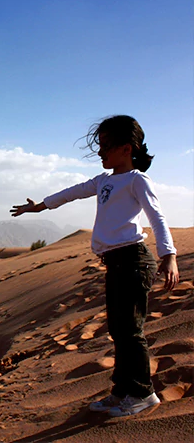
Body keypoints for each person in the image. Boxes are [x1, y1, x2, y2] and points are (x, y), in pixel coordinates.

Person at [10, 115, 179, 417]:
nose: (100, 152)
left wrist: (169, 255)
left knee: (130, 331)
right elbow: (72, 192)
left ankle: (143, 393)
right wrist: (40, 206)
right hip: (115, 263)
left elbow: (157, 217)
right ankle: (122, 391)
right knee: (118, 329)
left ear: (127, 148)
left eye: (105, 146)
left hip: (133, 260)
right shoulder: (103, 181)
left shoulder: (136, 180)